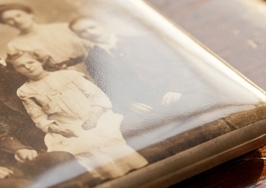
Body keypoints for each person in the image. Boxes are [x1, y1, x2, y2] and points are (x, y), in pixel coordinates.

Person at [69, 15, 222, 144]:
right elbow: (107, 86)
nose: (89, 33)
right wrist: (130, 104)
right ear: (79, 37)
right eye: (83, 32)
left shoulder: (142, 41)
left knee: (190, 109)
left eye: (91, 27)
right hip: (148, 104)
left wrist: (176, 90)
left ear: (101, 24)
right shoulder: (93, 60)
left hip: (180, 91)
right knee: (130, 130)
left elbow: (177, 65)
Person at [8, 50, 148, 180]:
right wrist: (58, 129)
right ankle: (108, 178)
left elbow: (97, 96)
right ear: (16, 70)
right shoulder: (25, 91)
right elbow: (38, 118)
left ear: (40, 61)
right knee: (83, 145)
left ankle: (139, 173)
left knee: (106, 137)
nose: (28, 67)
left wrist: (94, 116)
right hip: (66, 126)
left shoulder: (68, 75)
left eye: (30, 62)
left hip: (96, 116)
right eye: (21, 66)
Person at [0, 3, 87, 70]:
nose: (16, 20)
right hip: (61, 78)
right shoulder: (14, 45)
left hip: (88, 65)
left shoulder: (62, 27)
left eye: (18, 15)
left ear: (30, 14)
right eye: (9, 20)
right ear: (7, 24)